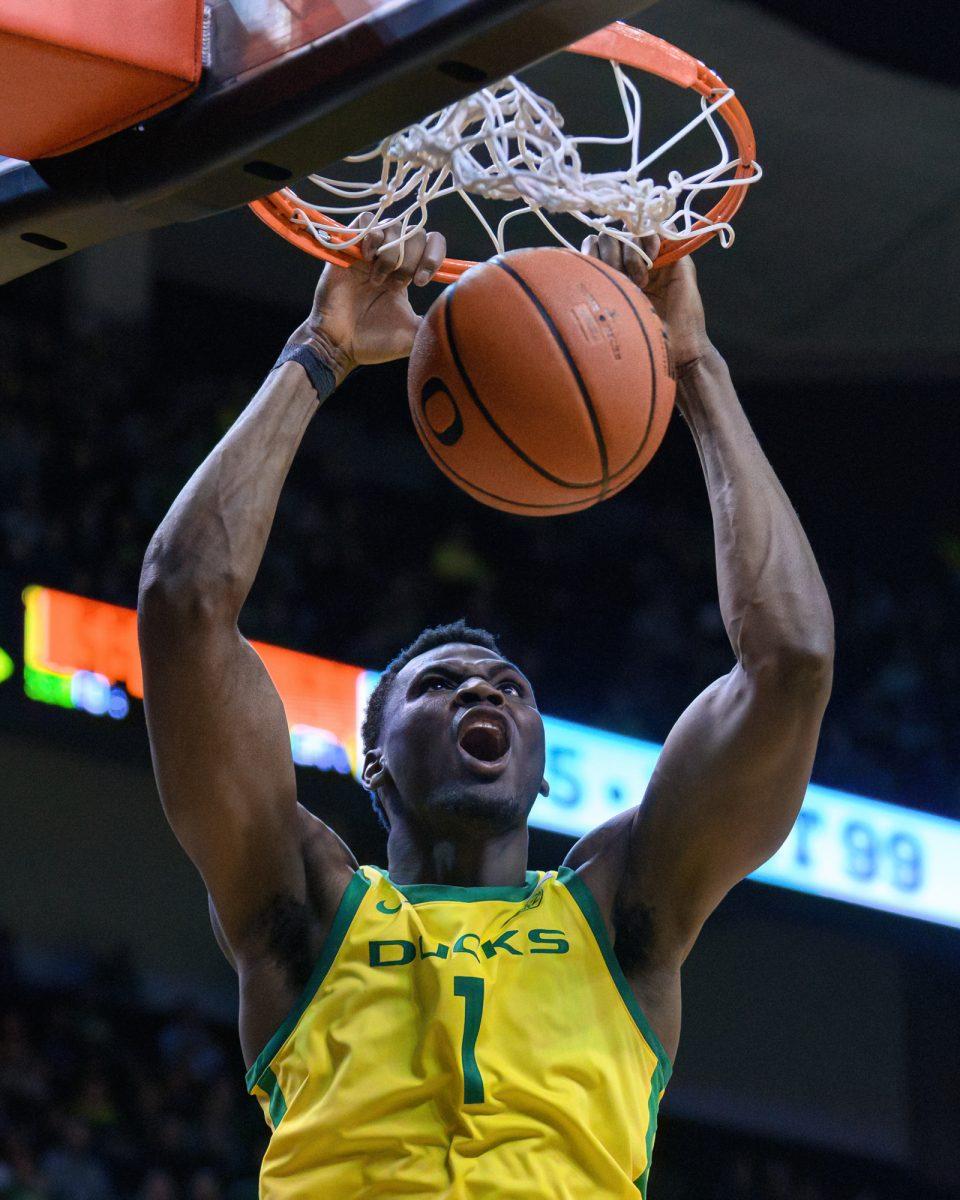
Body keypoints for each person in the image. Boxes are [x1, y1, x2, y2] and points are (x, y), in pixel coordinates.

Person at [137, 219, 834, 1197]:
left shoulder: (621, 909)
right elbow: (183, 602)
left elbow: (791, 661)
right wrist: (320, 353)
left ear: (543, 768)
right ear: (373, 761)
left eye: (510, 688)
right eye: (439, 685)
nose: (482, 689)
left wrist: (696, 368)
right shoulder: (305, 901)